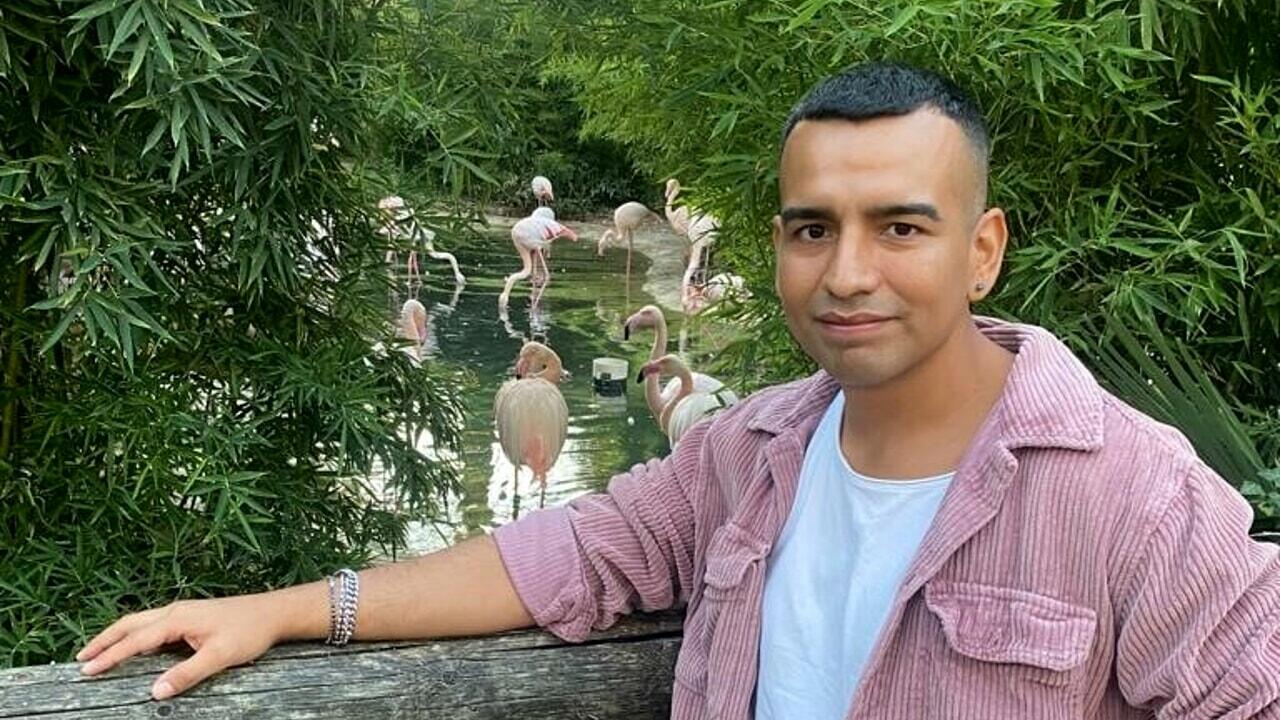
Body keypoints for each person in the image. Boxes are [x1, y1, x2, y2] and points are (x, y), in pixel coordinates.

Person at [77, 62, 1280, 719]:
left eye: (900, 227)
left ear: (982, 250)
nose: (845, 273)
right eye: (811, 228)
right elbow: (561, 554)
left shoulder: (1132, 495)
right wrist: (286, 610)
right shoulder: (746, 452)